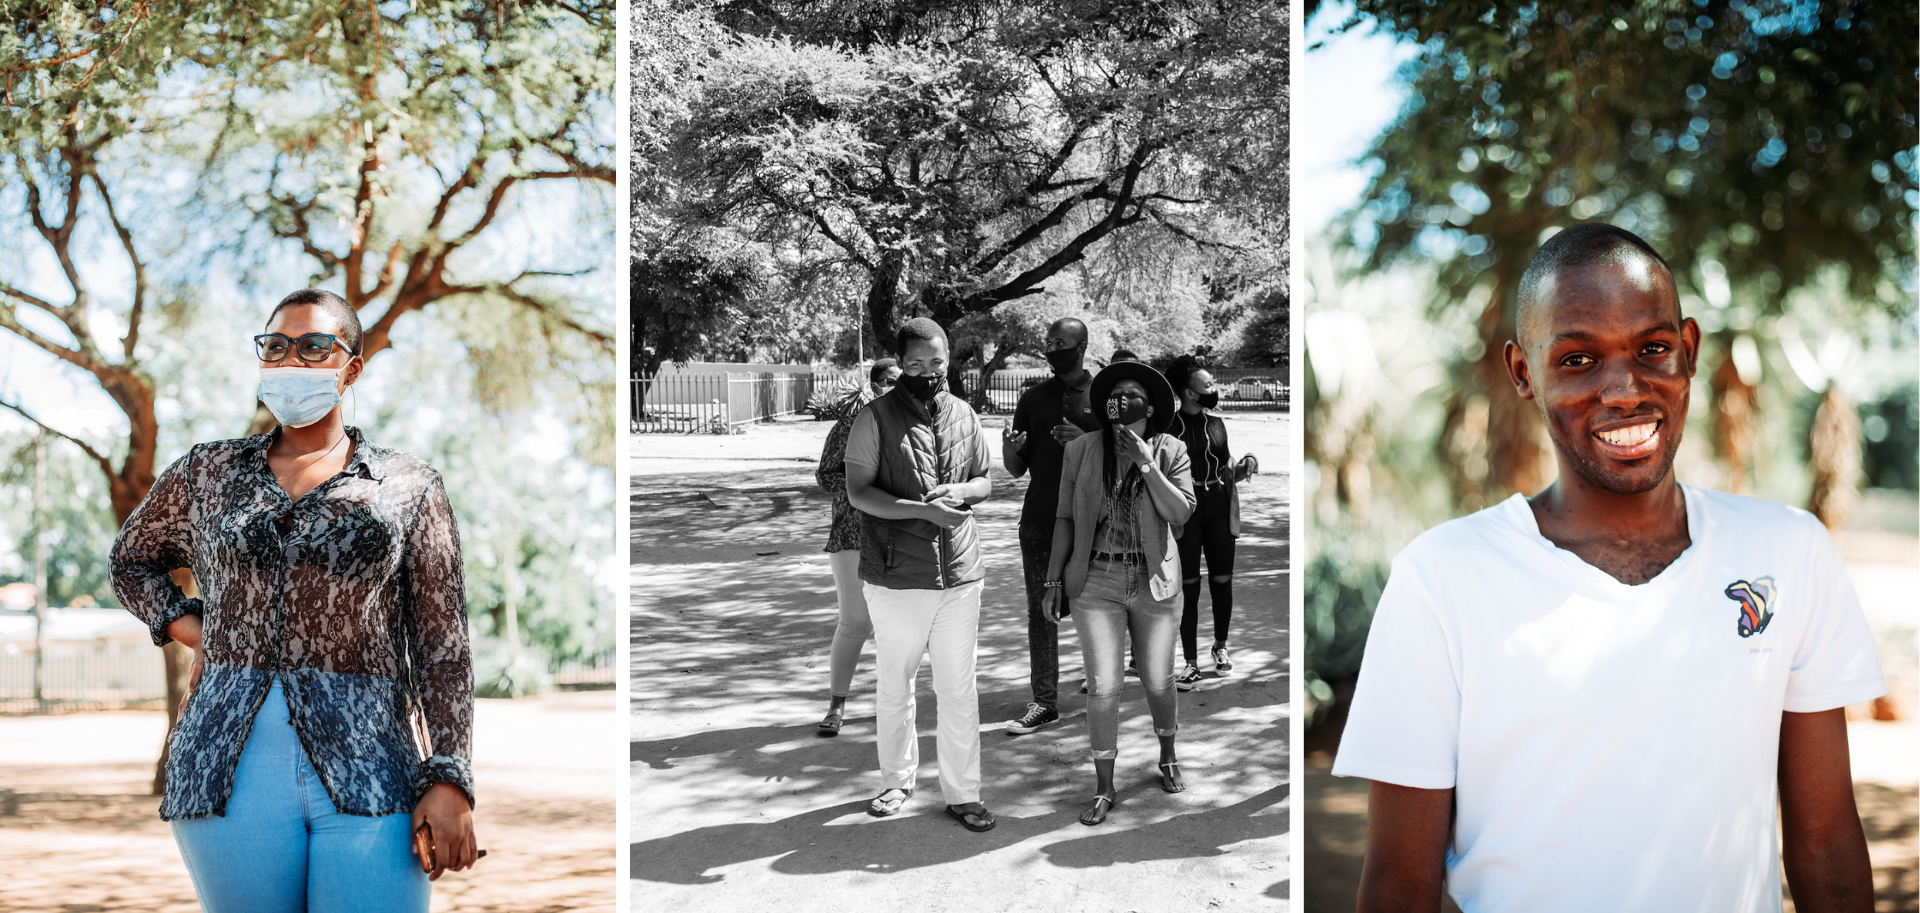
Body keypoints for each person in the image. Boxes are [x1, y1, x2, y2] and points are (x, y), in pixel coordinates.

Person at [1335, 224, 1885, 912]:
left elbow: (1827, 841)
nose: (1624, 390)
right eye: (1577, 360)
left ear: (1688, 352)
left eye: (1652, 349)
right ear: (1523, 373)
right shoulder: (1442, 578)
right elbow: (1398, 882)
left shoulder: (1787, 552)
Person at [110, 289, 479, 913]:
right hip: (226, 765)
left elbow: (443, 648)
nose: (291, 362)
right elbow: (130, 561)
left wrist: (449, 777)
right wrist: (194, 627)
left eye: (313, 347)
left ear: (350, 368)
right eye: (275, 347)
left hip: (371, 764)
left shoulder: (409, 486)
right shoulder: (209, 473)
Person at [842, 318, 997, 832]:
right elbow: (859, 492)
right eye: (914, 364)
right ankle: (896, 781)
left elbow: (984, 482)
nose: (926, 372)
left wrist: (961, 495)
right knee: (896, 683)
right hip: (894, 577)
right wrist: (921, 510)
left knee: (958, 689)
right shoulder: (874, 418)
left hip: (960, 574)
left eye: (935, 363)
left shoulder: (965, 414)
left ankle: (963, 792)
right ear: (899, 363)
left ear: (948, 361)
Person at [1041, 361, 1196, 826]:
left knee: (1157, 678)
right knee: (1104, 686)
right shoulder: (1084, 450)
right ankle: (1104, 784)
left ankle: (1167, 753)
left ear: (1150, 406)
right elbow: (1065, 518)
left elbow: (1180, 512)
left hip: (1154, 580)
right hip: (1097, 581)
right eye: (1115, 393)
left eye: (1131, 394)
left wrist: (1147, 464)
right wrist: (1053, 582)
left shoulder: (1171, 450)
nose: (1120, 400)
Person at [1000, 317, 1101, 734]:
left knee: (1098, 607)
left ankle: (1103, 688)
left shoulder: (1104, 394)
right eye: (1048, 342)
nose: (1051, 348)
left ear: (1081, 346)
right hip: (1040, 518)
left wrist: (1085, 436)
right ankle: (1044, 701)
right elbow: (1016, 469)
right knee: (1041, 611)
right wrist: (1008, 449)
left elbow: (1124, 453)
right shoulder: (1033, 396)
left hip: (1096, 519)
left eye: (1060, 342)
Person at [814, 358, 901, 735]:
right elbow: (825, 476)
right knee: (855, 622)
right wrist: (861, 488)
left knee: (898, 626)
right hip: (852, 534)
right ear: (876, 384)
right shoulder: (852, 423)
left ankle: (893, 703)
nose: (898, 386)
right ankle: (836, 705)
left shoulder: (914, 424)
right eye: (891, 381)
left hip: (901, 535)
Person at [1164, 356, 1258, 690]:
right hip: (1185, 510)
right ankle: (1189, 662)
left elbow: (1226, 465)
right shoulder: (1168, 426)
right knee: (1187, 585)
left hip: (1218, 504)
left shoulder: (1217, 424)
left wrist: (1246, 464)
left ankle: (1220, 647)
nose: (1214, 389)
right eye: (1208, 385)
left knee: (1222, 580)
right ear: (1189, 393)